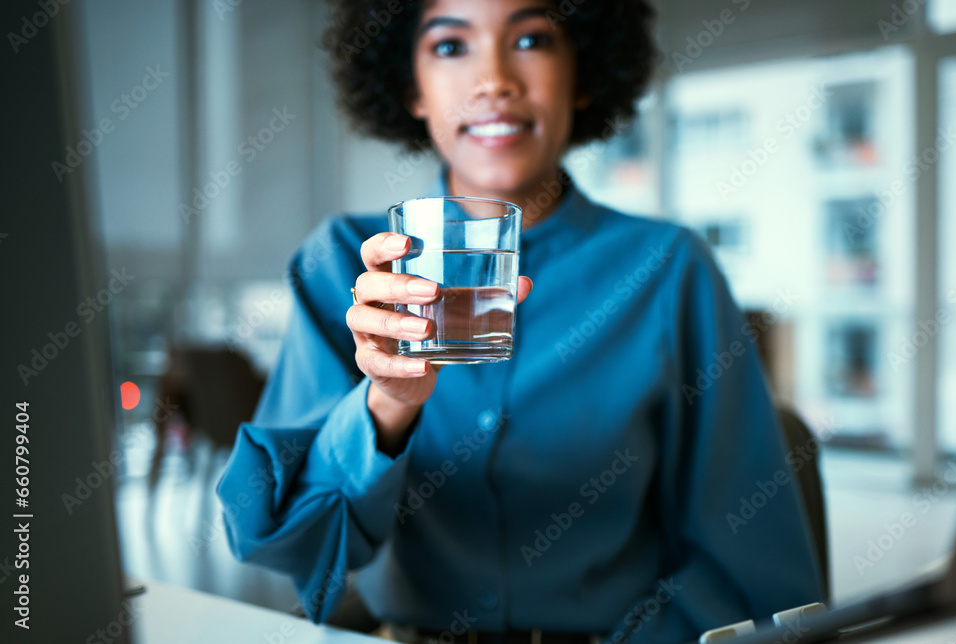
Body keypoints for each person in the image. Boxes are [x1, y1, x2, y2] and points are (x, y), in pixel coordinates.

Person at [216, 1, 825, 643]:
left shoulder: (671, 271)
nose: (495, 79)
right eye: (451, 47)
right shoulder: (340, 262)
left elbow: (751, 570)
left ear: (584, 74)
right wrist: (385, 406)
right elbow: (278, 540)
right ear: (408, 88)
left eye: (532, 39)